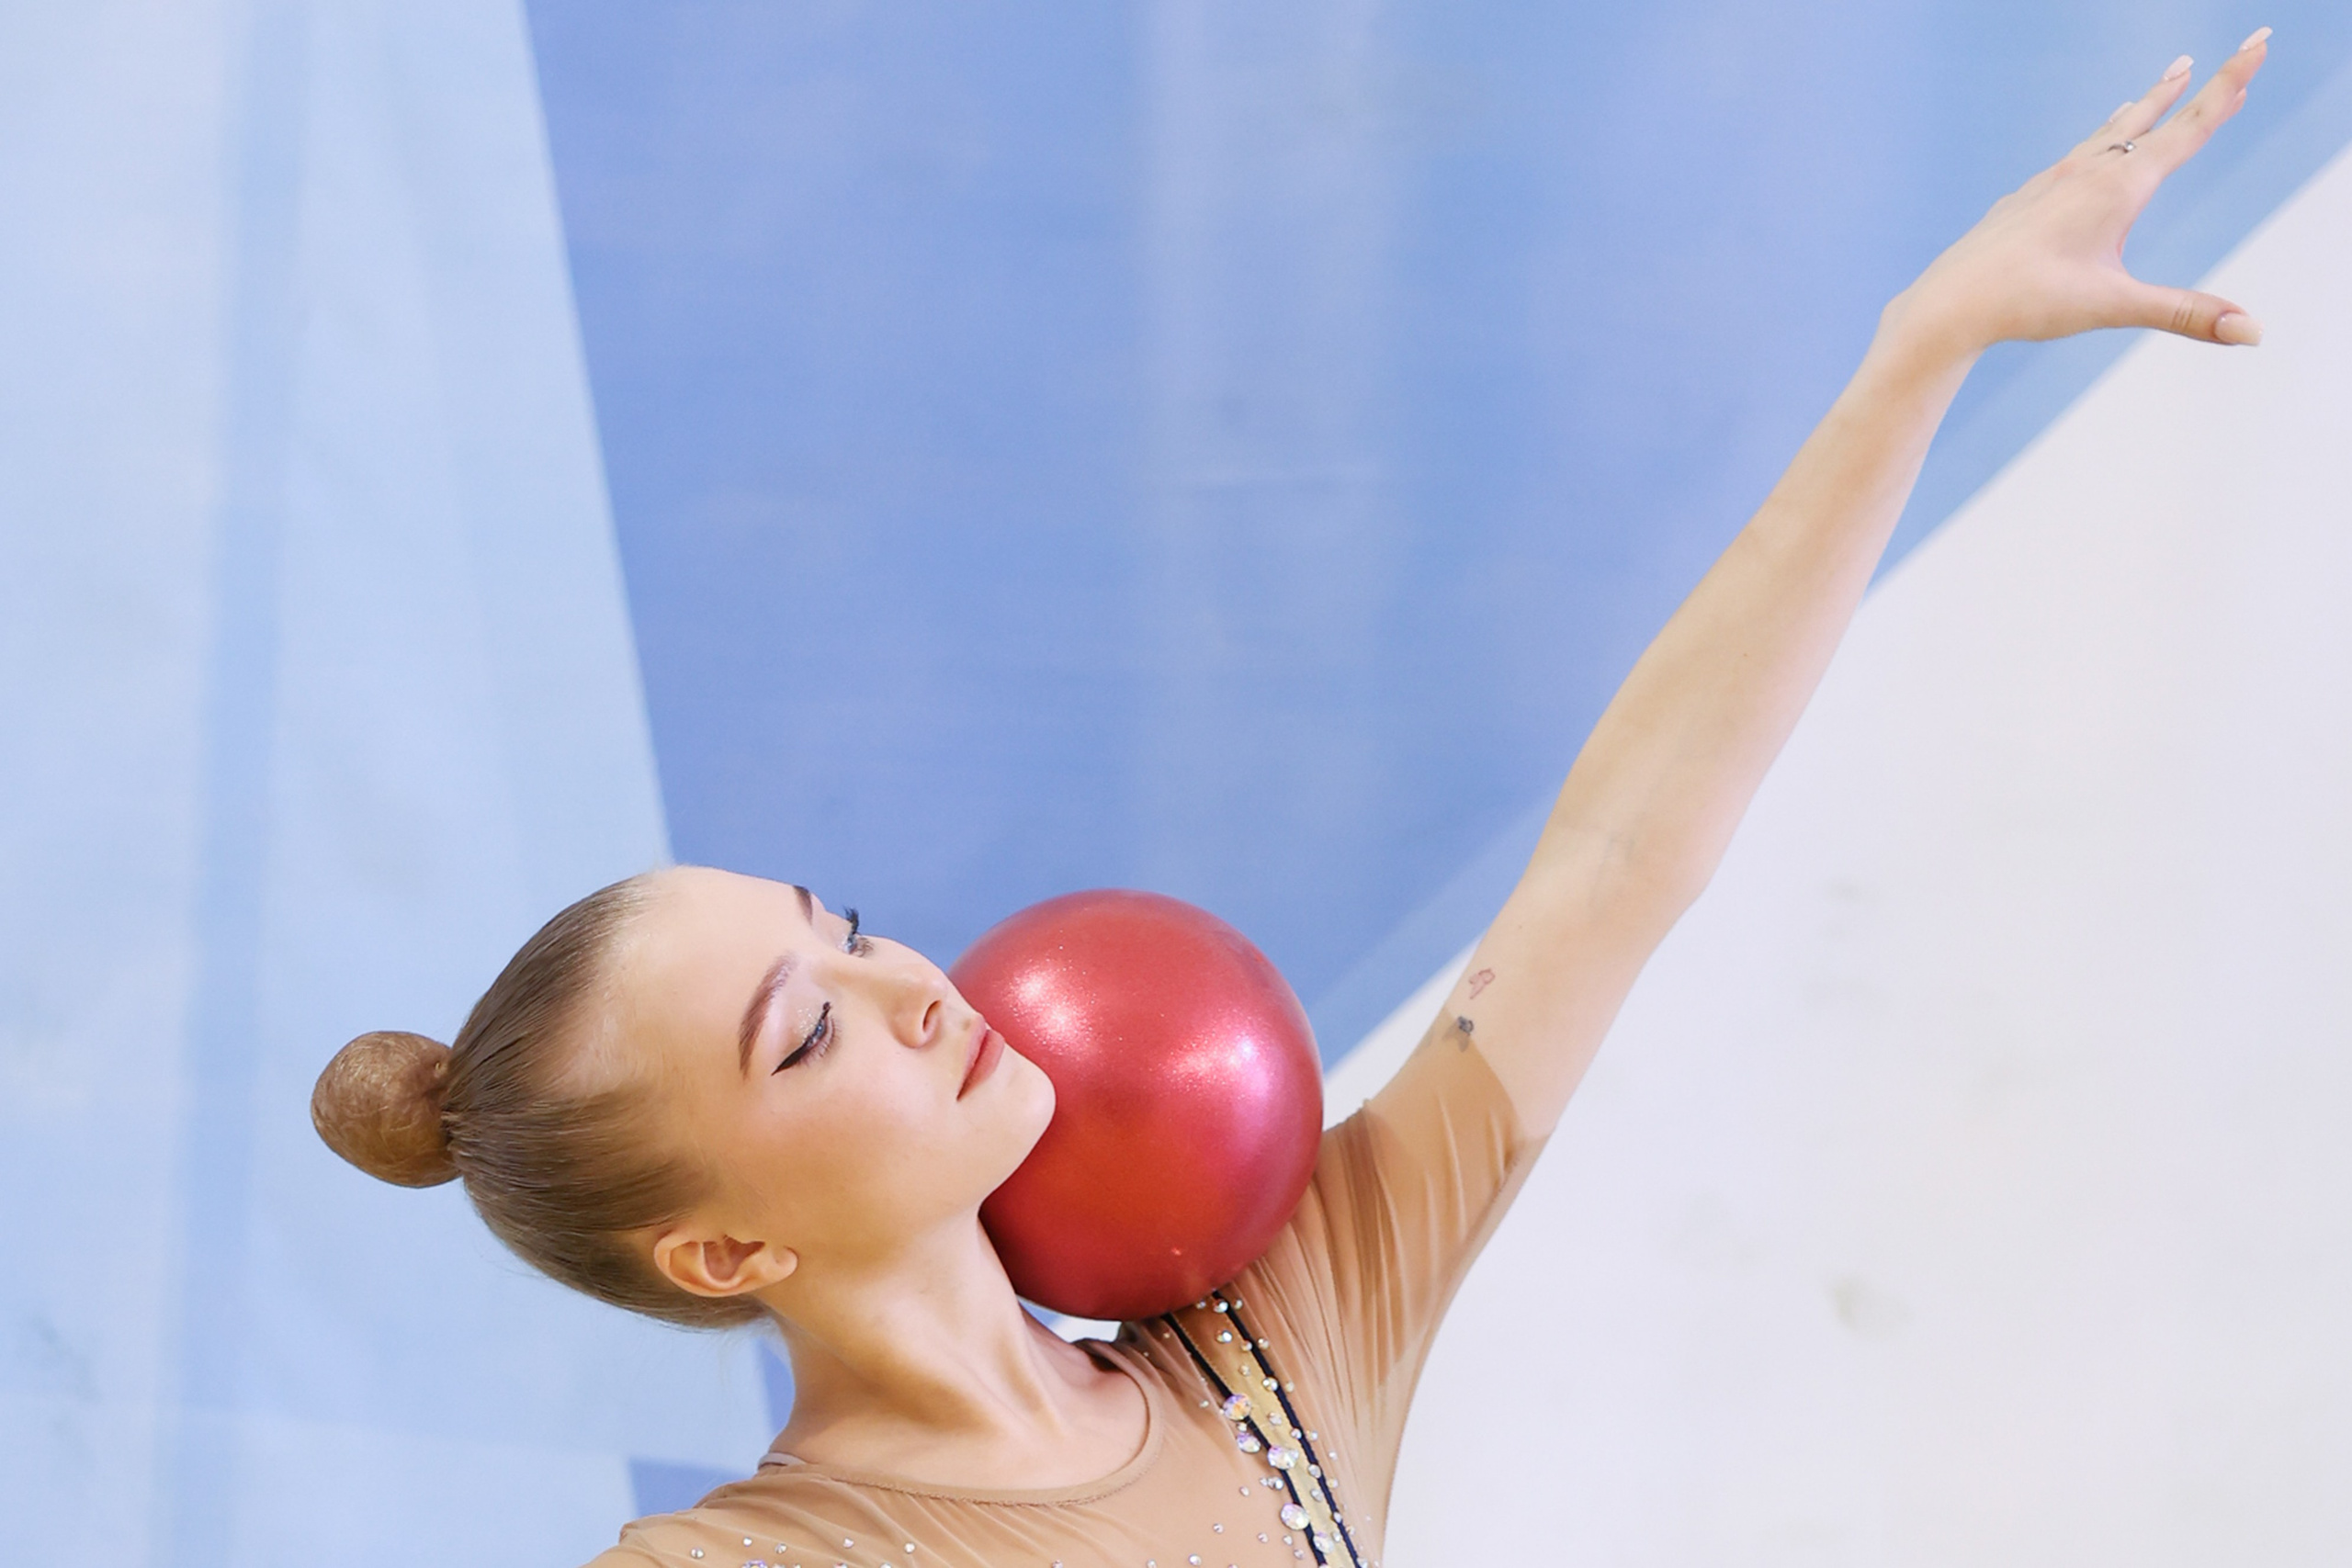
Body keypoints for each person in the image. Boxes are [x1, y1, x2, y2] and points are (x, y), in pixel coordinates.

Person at [312, 34, 2274, 1568]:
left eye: (841, 925)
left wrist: (1907, 362)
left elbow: (1608, 864)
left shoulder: (1271, 1343)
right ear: (723, 1254)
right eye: (805, 1028)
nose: (910, 978)